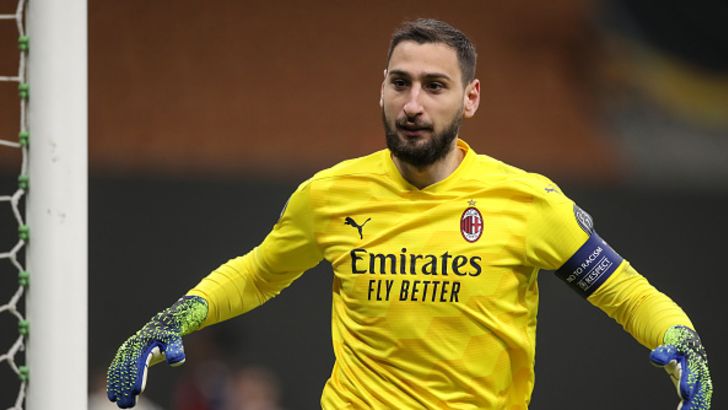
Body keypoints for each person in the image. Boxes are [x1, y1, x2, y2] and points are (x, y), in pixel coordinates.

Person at [107, 18, 713, 409]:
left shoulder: (528, 203)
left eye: (435, 86)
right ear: (381, 89)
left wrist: (680, 338)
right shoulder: (330, 195)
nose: (413, 104)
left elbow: (626, 293)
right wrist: (174, 318)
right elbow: (258, 273)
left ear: (470, 98)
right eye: (400, 83)